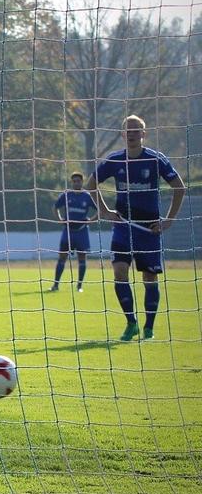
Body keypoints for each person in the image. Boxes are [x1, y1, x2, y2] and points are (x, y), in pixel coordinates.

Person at [86, 115, 185, 341]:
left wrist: (169, 219)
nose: (131, 134)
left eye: (135, 130)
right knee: (120, 272)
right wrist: (104, 210)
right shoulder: (115, 160)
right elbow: (91, 184)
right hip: (123, 226)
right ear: (122, 135)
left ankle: (149, 328)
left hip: (149, 230)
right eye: (127, 131)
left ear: (144, 133)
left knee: (149, 277)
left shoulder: (155, 159)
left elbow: (179, 187)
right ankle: (131, 323)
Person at [49, 172, 98, 293]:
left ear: (82, 182)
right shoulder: (66, 195)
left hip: (82, 232)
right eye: (74, 181)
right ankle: (55, 285)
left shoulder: (87, 196)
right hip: (68, 232)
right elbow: (55, 207)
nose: (76, 183)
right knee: (62, 258)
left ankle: (79, 286)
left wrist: (91, 221)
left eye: (78, 181)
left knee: (82, 258)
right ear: (72, 182)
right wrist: (60, 219)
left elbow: (100, 210)